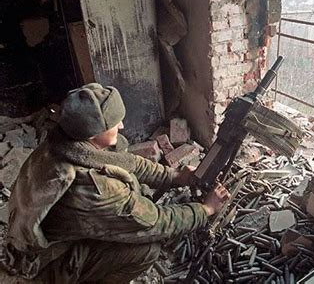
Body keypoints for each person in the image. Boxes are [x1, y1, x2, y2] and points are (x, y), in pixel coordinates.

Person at [2, 83, 229, 283]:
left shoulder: (66, 142)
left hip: (46, 241)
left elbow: (130, 163)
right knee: (147, 249)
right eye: (115, 122)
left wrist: (175, 177)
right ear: (93, 133)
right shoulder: (91, 187)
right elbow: (154, 222)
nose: (121, 126)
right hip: (47, 265)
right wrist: (205, 209)